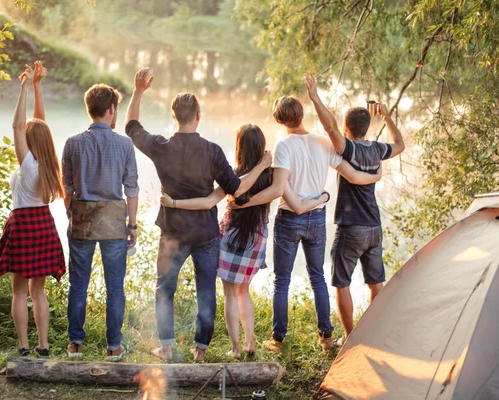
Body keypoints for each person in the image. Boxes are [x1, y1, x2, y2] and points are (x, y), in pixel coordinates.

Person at [125, 68, 272, 362]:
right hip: (205, 234)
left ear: (174, 116)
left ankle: (166, 347)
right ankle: (200, 351)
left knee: (165, 289)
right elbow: (237, 190)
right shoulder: (213, 151)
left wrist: (139, 91)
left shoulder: (161, 147)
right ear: (199, 115)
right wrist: (261, 166)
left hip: (173, 233)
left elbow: (131, 126)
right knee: (207, 292)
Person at [231, 84, 381, 352]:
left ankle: (278, 339)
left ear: (279, 119)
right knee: (318, 277)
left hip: (289, 219)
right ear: (301, 114)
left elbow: (278, 189)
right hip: (317, 218)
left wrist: (244, 202)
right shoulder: (323, 142)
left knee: (282, 280)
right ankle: (325, 336)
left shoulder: (283, 147)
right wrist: (375, 176)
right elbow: (353, 176)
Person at [160, 124, 329, 360]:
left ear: (240, 147)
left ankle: (236, 348)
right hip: (256, 240)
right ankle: (250, 344)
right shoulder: (272, 174)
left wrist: (175, 203)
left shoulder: (235, 174)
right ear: (262, 146)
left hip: (231, 237)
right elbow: (295, 202)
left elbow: (210, 201)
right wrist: (322, 198)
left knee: (230, 294)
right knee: (244, 292)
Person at [303, 73, 405, 345]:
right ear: (367, 128)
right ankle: (372, 334)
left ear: (347, 128)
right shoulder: (377, 150)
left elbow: (330, 128)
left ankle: (349, 338)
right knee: (376, 283)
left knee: (341, 283)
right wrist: (387, 116)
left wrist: (315, 98)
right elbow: (401, 144)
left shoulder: (348, 148)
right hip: (374, 227)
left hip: (351, 228)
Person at [0, 61, 66, 359]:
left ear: (30, 142)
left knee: (19, 292)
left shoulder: (28, 164)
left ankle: (23, 346)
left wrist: (22, 88)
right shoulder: (45, 163)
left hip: (23, 224)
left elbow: (18, 126)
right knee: (39, 291)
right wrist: (38, 85)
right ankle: (43, 346)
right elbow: (38, 125)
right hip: (44, 225)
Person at [62, 78, 139, 361]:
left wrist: (72, 214)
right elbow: (131, 189)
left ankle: (75, 345)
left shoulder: (72, 144)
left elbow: (66, 189)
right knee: (115, 287)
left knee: (78, 284)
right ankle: (113, 347)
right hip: (113, 224)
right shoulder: (125, 145)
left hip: (81, 221)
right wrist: (132, 225)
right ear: (111, 109)